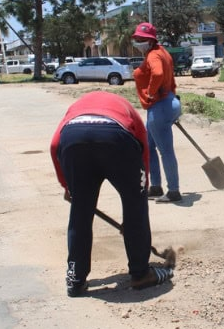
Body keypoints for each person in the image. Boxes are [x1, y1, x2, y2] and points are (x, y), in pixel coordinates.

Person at [50, 91, 174, 297]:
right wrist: (140, 193)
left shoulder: (74, 110)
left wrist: (67, 187)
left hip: (74, 140)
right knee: (135, 205)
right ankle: (141, 273)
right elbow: (143, 147)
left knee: (80, 210)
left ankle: (75, 279)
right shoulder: (125, 106)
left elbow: (55, 145)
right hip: (116, 138)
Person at [131, 22, 183, 203]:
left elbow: (159, 74)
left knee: (165, 151)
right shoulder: (162, 52)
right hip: (168, 102)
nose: (138, 42)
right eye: (137, 39)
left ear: (150, 40)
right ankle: (155, 186)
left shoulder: (153, 55)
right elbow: (169, 76)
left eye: (142, 40)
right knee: (148, 146)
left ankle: (174, 191)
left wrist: (151, 92)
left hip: (160, 106)